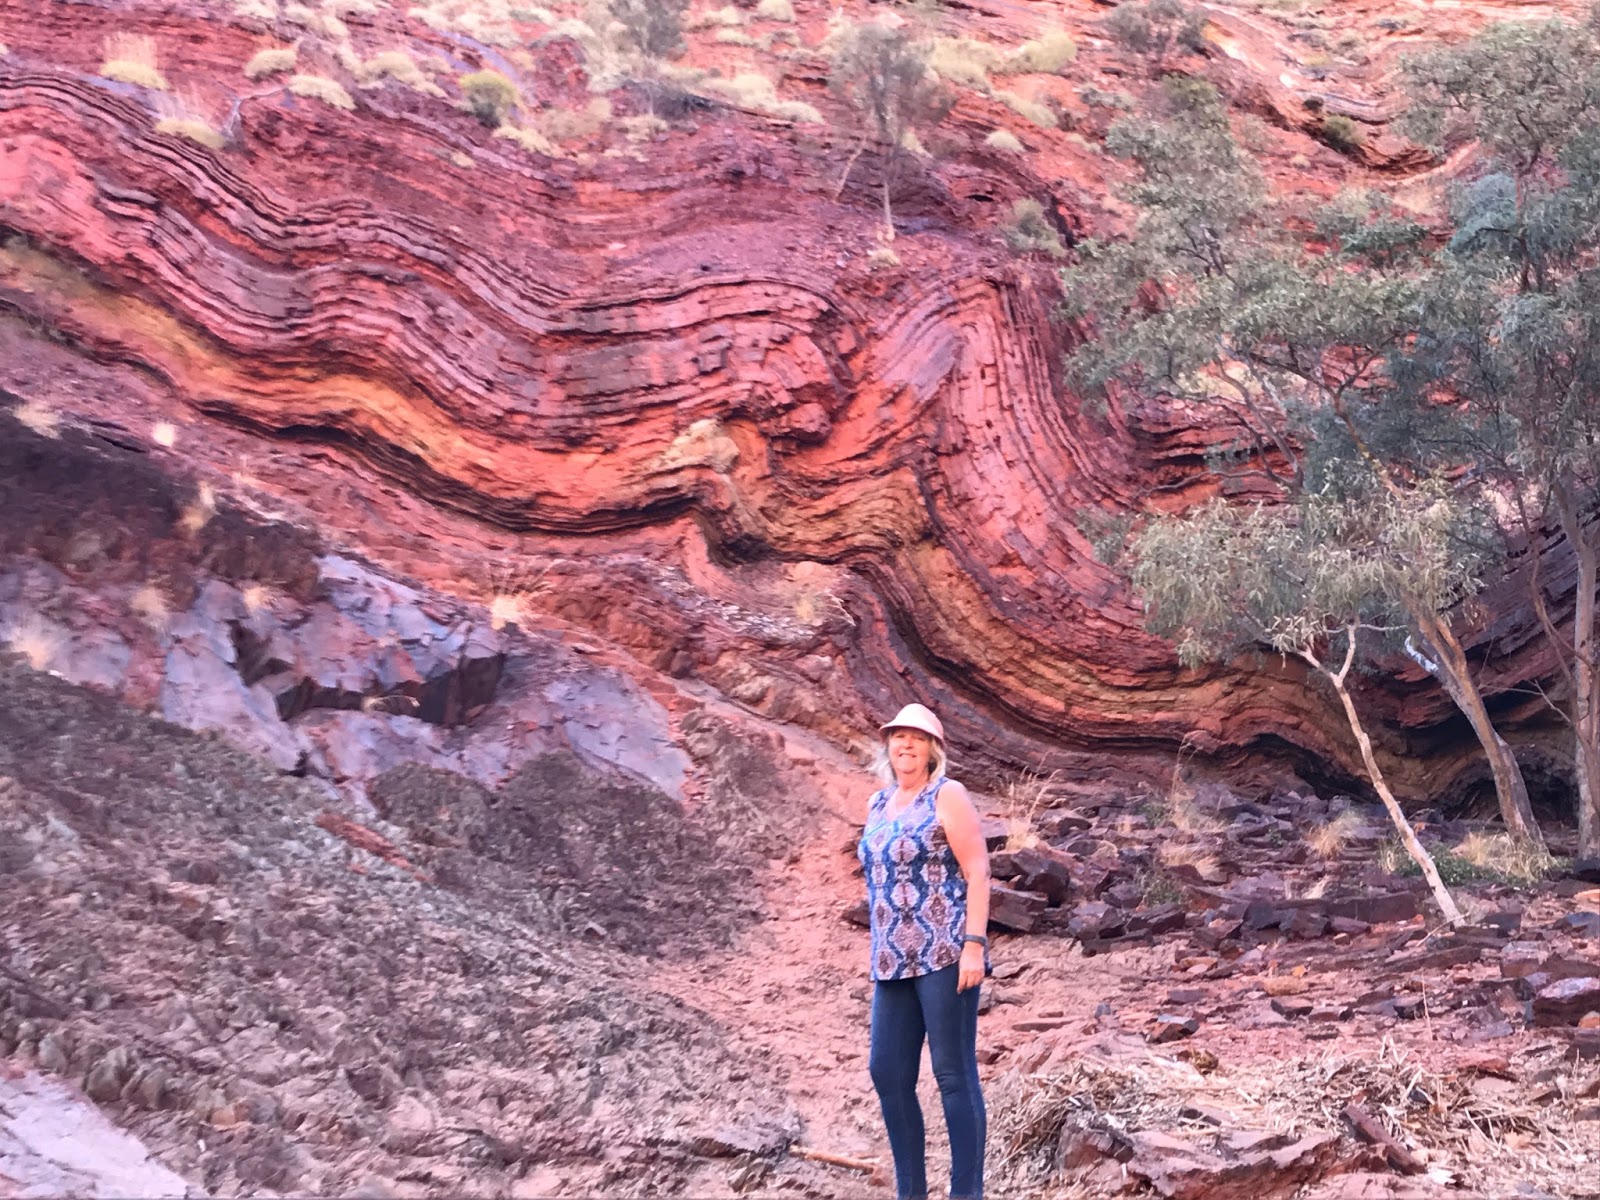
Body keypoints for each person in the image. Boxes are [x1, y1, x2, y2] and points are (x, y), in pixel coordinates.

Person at [857, 702, 991, 1200]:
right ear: (887, 747)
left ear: (932, 749)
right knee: (887, 1071)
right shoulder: (877, 803)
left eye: (915, 737)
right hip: (891, 960)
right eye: (897, 737)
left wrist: (974, 945)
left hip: (945, 952)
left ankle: (966, 1194)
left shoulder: (947, 794)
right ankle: (911, 1192)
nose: (905, 745)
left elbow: (978, 870)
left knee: (953, 1074)